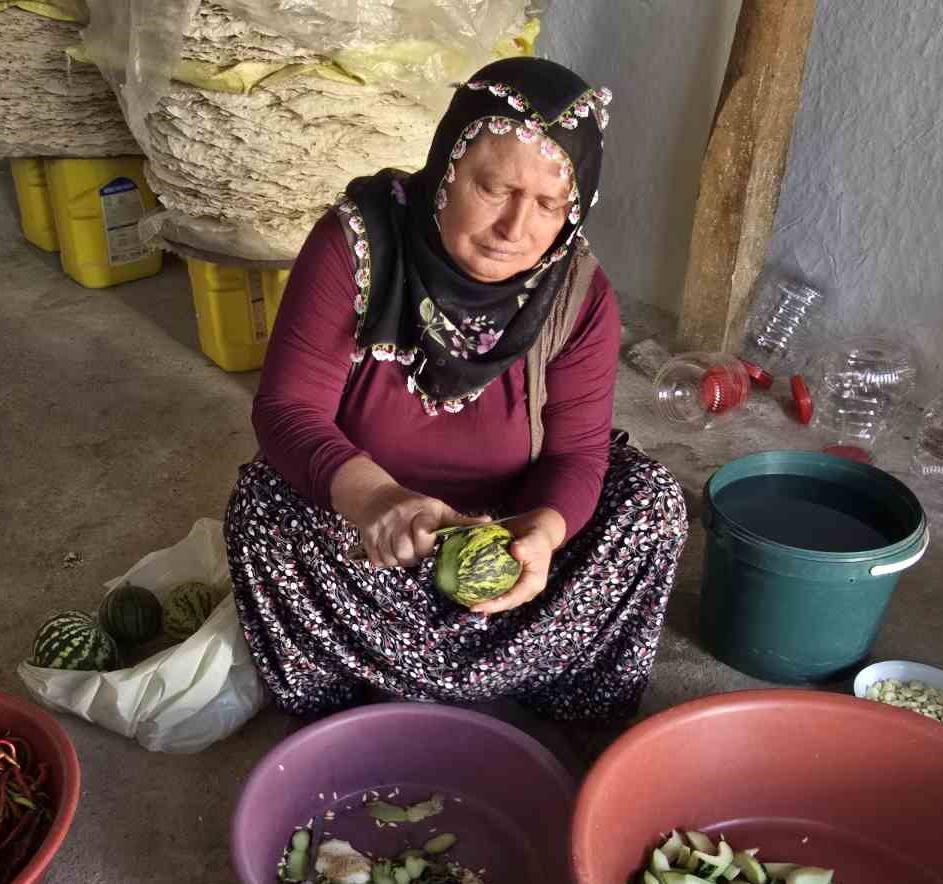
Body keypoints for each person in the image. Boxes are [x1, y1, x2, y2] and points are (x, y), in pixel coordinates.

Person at [225, 57, 688, 721]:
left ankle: (554, 693)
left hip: (502, 545)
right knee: (262, 512)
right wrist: (378, 499)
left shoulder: (578, 297)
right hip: (372, 538)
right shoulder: (355, 248)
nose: (515, 229)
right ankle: (348, 703)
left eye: (550, 205)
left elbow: (577, 456)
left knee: (651, 507)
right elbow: (287, 412)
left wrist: (540, 537)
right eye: (494, 188)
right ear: (445, 167)